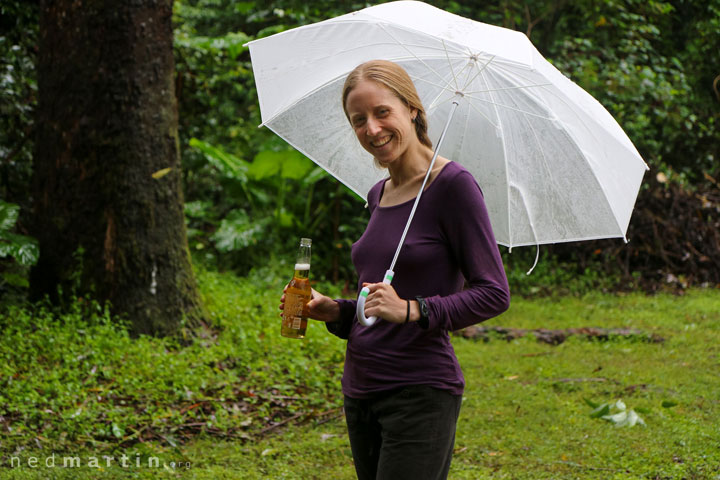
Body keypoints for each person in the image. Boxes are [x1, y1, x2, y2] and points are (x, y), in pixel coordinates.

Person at [279, 60, 510, 480]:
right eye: (358, 120)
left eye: (382, 112)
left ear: (412, 110)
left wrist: (413, 310)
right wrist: (336, 310)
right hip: (361, 389)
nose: (371, 128)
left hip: (419, 393)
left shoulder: (453, 186)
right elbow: (377, 307)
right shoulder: (378, 193)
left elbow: (494, 292)